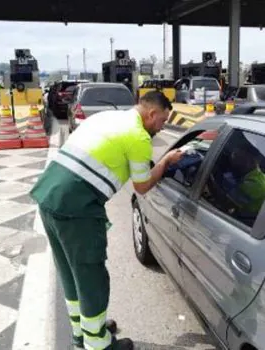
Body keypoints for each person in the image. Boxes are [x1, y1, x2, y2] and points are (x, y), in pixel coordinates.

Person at [30, 91, 183, 350]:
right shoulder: (138, 137)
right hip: (77, 206)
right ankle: (98, 344)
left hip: (49, 196)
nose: (161, 127)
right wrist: (167, 161)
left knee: (71, 272)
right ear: (152, 114)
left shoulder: (108, 118)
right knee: (92, 277)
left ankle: (83, 333)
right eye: (162, 121)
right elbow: (142, 185)